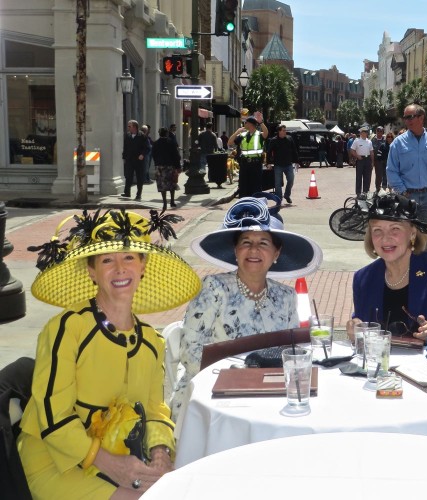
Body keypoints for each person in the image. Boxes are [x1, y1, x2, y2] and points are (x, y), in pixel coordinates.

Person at [20, 209, 202, 498]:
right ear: (92, 271)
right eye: (107, 260)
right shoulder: (67, 329)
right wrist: (111, 464)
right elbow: (53, 419)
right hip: (56, 462)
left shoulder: (152, 342)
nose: (120, 268)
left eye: (129, 257)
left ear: (143, 265)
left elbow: (155, 411)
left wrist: (160, 452)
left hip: (123, 454)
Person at [171, 197, 323, 417]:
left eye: (263, 243)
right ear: (235, 250)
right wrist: (238, 377)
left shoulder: (287, 296)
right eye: (246, 242)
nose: (253, 250)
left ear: (276, 253)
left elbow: (290, 353)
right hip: (214, 395)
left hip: (269, 393)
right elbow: (191, 352)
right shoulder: (214, 288)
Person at [333, 194, 427, 342]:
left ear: (412, 233)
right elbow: (362, 328)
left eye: (395, 228)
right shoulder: (364, 278)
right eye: (377, 230)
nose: (385, 237)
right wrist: (355, 328)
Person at [387, 103, 427, 227]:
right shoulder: (398, 143)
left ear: (421, 117)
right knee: (407, 235)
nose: (407, 121)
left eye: (410, 117)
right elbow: (391, 170)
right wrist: (402, 191)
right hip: (407, 196)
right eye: (405, 117)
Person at [228, 111, 269, 198]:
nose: (244, 124)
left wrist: (261, 122)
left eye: (246, 122)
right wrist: (236, 133)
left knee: (256, 186)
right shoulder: (242, 135)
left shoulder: (259, 134)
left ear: (250, 124)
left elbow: (266, 133)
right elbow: (230, 142)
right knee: (243, 186)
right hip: (244, 164)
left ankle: (255, 204)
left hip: (256, 164)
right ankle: (244, 204)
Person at [267, 124, 299, 204]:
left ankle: (287, 195)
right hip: (278, 165)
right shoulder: (273, 140)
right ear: (279, 131)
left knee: (291, 180)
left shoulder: (289, 139)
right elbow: (269, 152)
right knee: (278, 183)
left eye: (285, 130)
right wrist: (268, 163)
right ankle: (279, 198)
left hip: (288, 164)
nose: (285, 132)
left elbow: (294, 150)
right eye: (283, 130)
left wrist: (297, 161)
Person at [152, 127, 181, 211]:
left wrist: (157, 163)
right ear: (167, 134)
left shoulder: (156, 143)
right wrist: (178, 167)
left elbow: (153, 154)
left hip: (160, 167)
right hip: (169, 166)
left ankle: (164, 202)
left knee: (162, 185)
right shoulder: (171, 143)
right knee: (172, 183)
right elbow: (176, 156)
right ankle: (172, 201)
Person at [121, 120, 150, 201]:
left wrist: (142, 155)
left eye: (129, 126)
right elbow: (125, 147)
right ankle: (127, 193)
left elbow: (147, 148)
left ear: (134, 127)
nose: (128, 128)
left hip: (139, 161)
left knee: (139, 177)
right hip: (129, 160)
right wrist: (124, 157)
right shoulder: (128, 135)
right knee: (128, 176)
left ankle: (138, 194)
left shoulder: (142, 136)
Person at [350, 126, 375, 196]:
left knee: (367, 177)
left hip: (368, 159)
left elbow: (372, 152)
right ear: (361, 133)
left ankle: (366, 192)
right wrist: (357, 156)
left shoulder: (369, 141)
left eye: (366, 132)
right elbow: (352, 150)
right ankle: (358, 193)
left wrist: (372, 162)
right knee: (359, 177)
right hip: (360, 159)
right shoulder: (357, 141)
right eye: (363, 132)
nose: (365, 133)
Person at [371, 126, 387, 193]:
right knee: (378, 175)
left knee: (385, 174)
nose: (379, 132)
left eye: (381, 131)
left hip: (385, 160)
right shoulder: (373, 140)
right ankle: (378, 188)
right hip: (377, 160)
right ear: (376, 132)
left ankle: (384, 188)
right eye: (378, 131)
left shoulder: (385, 139)